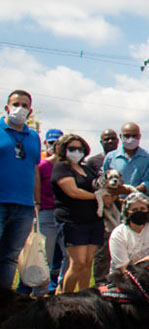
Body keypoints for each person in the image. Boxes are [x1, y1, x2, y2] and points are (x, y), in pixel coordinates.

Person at [96, 122, 149, 284]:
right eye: (127, 136)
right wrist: (113, 195)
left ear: (140, 136)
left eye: (134, 136)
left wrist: (131, 193)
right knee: (107, 248)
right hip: (112, 208)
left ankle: (135, 282)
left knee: (136, 246)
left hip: (137, 208)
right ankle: (103, 283)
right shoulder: (111, 157)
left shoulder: (147, 156)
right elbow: (102, 180)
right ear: (121, 137)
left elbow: (148, 182)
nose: (130, 139)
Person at [51, 134, 108, 293]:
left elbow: (100, 186)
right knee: (78, 263)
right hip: (72, 222)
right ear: (64, 149)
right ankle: (65, 297)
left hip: (93, 221)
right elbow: (73, 191)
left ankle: (84, 296)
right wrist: (97, 197)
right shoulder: (61, 168)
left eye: (80, 149)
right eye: (72, 148)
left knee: (88, 263)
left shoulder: (87, 168)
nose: (76, 152)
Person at [0, 90, 41, 289]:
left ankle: (3, 301)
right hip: (1, 202)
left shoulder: (33, 136)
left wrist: (37, 202)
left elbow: (35, 170)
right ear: (7, 107)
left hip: (24, 206)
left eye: (25, 106)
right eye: (16, 104)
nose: (20, 109)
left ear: (30, 111)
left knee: (10, 257)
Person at [108, 192, 149, 274]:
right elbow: (123, 267)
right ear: (127, 212)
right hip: (126, 274)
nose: (139, 212)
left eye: (142, 209)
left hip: (148, 268)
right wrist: (139, 268)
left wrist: (139, 265)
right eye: (134, 210)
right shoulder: (118, 234)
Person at [34, 130, 62, 294]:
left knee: (62, 257)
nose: (55, 146)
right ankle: (38, 293)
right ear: (46, 143)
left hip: (64, 214)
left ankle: (56, 289)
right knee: (44, 256)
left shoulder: (67, 166)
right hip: (46, 213)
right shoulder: (42, 165)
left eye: (58, 143)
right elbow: (36, 188)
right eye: (52, 143)